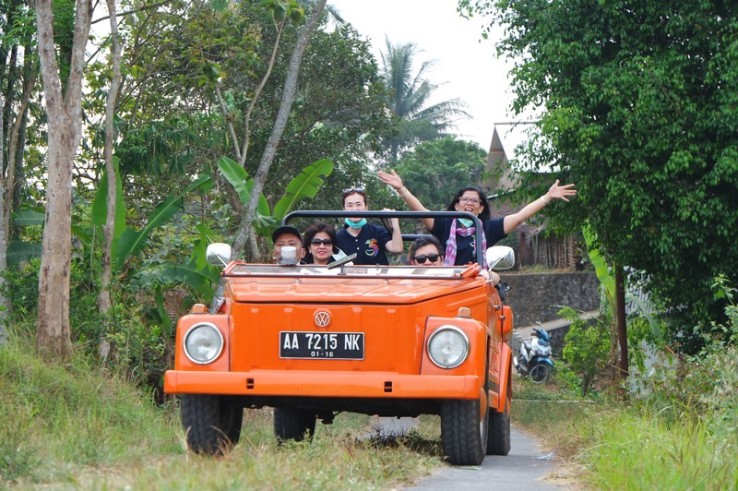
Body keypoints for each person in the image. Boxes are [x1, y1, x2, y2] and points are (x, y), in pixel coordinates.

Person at [378, 170, 576, 266]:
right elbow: (421, 211)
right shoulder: (444, 224)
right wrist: (401, 189)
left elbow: (519, 216)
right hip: (445, 282)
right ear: (456, 205)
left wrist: (547, 197)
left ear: (481, 208)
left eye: (475, 201)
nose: (469, 203)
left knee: (495, 282)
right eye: (465, 200)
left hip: (473, 285)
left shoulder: (488, 229)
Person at [336, 186, 403, 265]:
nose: (354, 209)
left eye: (358, 204)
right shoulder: (337, 237)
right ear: (343, 209)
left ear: (366, 207)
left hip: (377, 276)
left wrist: (394, 223)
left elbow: (397, 249)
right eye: (349, 205)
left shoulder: (377, 231)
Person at [408, 235, 501, 284]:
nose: (427, 263)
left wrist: (483, 275)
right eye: (421, 259)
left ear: (441, 259)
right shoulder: (403, 280)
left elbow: (495, 278)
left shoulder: (452, 275)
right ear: (413, 262)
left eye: (433, 258)